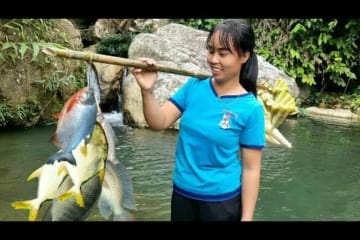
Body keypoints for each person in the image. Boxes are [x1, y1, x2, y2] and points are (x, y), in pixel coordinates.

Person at [131, 19, 265, 221]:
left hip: (221, 203)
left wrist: (247, 218)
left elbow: (251, 169)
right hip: (182, 194)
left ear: (244, 56)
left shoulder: (251, 109)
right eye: (210, 51)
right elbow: (159, 122)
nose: (213, 59)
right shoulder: (194, 86)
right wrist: (147, 90)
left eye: (223, 53)